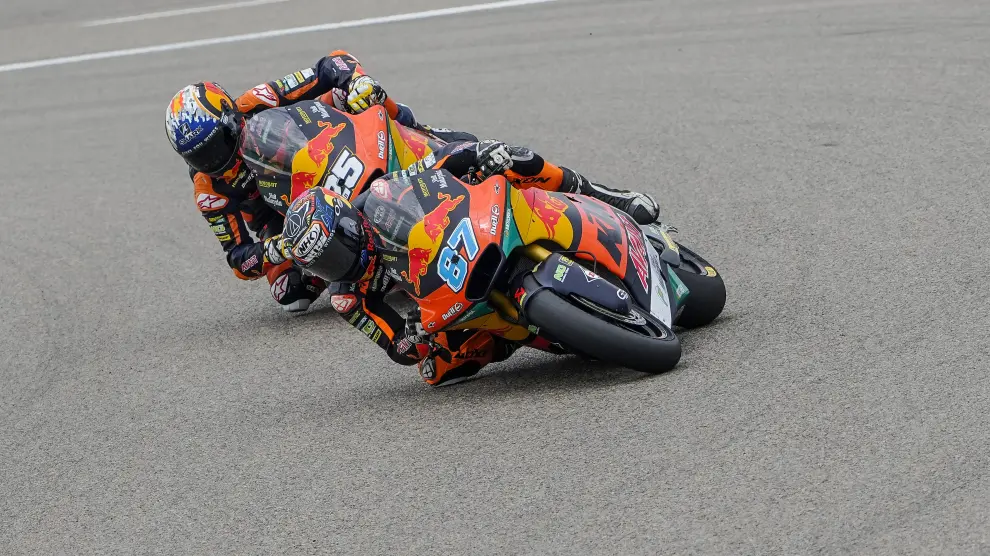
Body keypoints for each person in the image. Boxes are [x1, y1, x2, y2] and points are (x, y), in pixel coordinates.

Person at [269, 136, 657, 386]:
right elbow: (395, 346)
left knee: (513, 159)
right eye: (325, 265)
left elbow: (437, 163)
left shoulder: (380, 197)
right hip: (442, 297)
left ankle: (604, 195)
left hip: (462, 237)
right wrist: (413, 337)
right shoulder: (346, 297)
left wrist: (476, 155)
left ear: (350, 224)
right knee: (436, 371)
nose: (339, 266)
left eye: (337, 250)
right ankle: (516, 339)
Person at [164, 50, 461, 313]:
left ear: (231, 118)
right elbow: (239, 259)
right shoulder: (209, 191)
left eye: (217, 146)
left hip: (318, 157)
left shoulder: (256, 102)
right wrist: (279, 247)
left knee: (349, 94)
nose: (214, 161)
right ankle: (352, 264)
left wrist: (355, 81)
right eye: (200, 157)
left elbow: (332, 64)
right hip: (281, 217)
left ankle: (418, 131)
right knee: (289, 292)